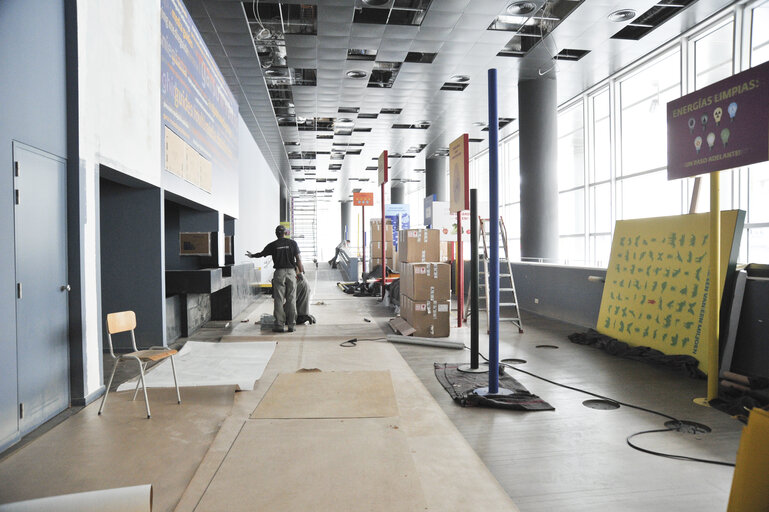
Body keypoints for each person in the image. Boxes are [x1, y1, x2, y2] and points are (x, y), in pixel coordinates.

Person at [246, 225, 304, 333]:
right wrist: (300, 273)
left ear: (276, 234)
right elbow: (298, 259)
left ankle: (279, 325)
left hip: (279, 273)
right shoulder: (293, 243)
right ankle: (291, 325)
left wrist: (252, 255)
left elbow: (261, 254)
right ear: (285, 233)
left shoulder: (273, 245)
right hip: (291, 272)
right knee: (291, 299)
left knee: (279, 299)